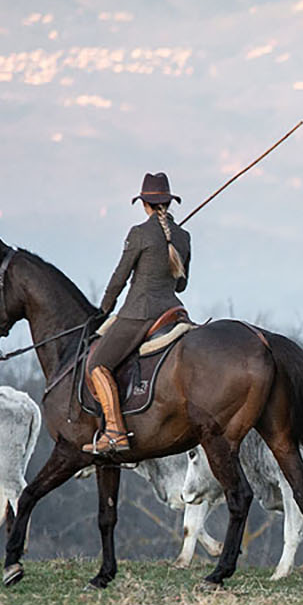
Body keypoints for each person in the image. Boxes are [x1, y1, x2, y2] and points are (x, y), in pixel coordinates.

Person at [83, 171, 191, 455]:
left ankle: (115, 432)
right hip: (172, 310)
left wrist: (103, 310)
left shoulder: (139, 234)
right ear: (168, 203)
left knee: (98, 364)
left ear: (145, 204)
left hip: (139, 313)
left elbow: (120, 277)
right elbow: (182, 283)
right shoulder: (183, 236)